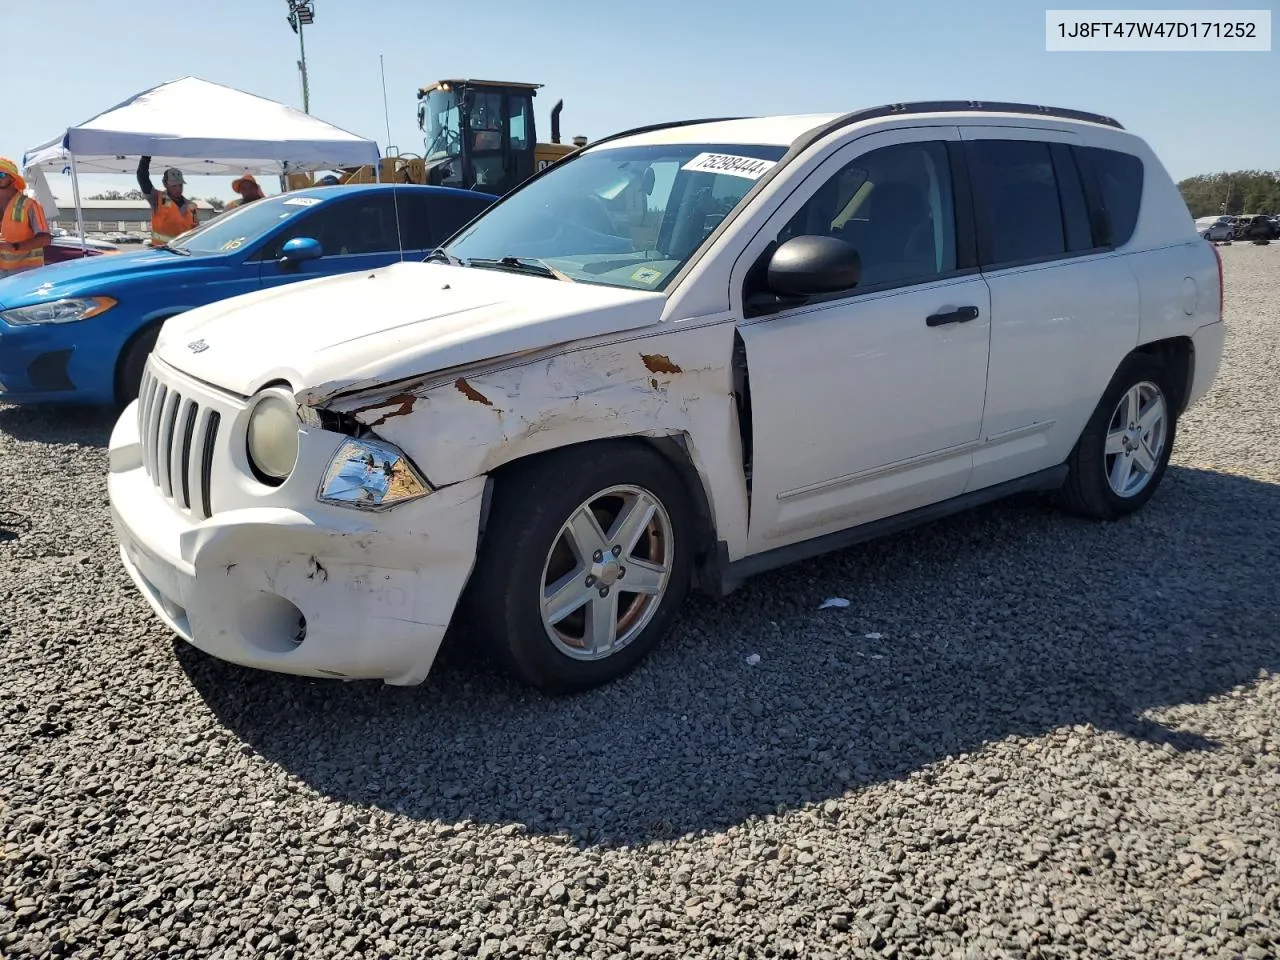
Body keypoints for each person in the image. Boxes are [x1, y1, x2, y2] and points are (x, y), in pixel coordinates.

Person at [0, 158, 52, 275]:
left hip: (26, 274)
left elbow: (45, 239)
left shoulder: (30, 205)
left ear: (13, 178)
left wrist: (16, 247)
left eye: (1, 174)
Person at [137, 156, 198, 247]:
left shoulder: (191, 206)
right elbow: (142, 178)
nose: (178, 189)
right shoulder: (157, 199)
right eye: (174, 186)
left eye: (180, 185)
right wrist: (146, 158)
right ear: (165, 184)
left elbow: (196, 230)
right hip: (161, 251)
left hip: (184, 251)